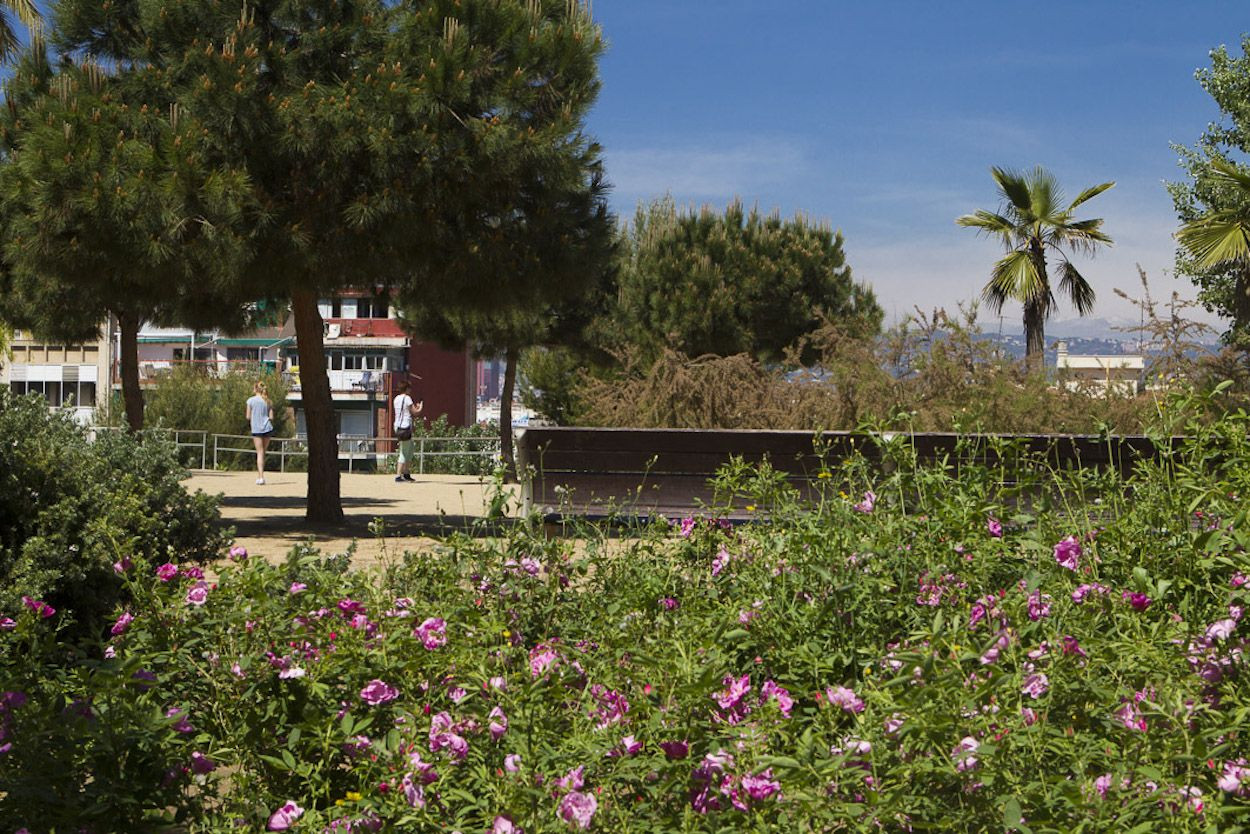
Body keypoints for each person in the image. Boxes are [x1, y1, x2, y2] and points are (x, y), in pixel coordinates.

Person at [393, 379, 423, 482]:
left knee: (410, 450)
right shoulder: (407, 398)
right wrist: (420, 407)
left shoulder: (396, 399)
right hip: (405, 427)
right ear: (406, 388)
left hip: (398, 426)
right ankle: (398, 475)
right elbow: (415, 412)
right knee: (404, 452)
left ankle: (406, 473)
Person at [246, 381, 275, 485]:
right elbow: (271, 417)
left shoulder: (250, 401)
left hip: (257, 429)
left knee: (259, 452)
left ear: (255, 389)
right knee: (263, 452)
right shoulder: (268, 401)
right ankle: (261, 476)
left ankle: (261, 477)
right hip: (267, 428)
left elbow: (248, 416)